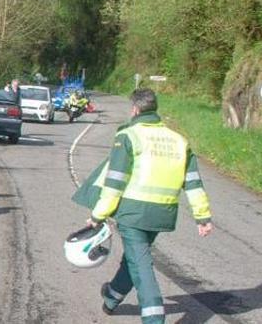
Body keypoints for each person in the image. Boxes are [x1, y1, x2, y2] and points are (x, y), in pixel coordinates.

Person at [74, 88, 214, 324]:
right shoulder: (179, 141)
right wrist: (203, 217)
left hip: (133, 212)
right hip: (162, 213)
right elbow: (193, 183)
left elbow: (114, 182)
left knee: (142, 266)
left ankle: (154, 319)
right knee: (135, 257)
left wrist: (98, 215)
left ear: (135, 109)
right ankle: (112, 296)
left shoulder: (129, 136)